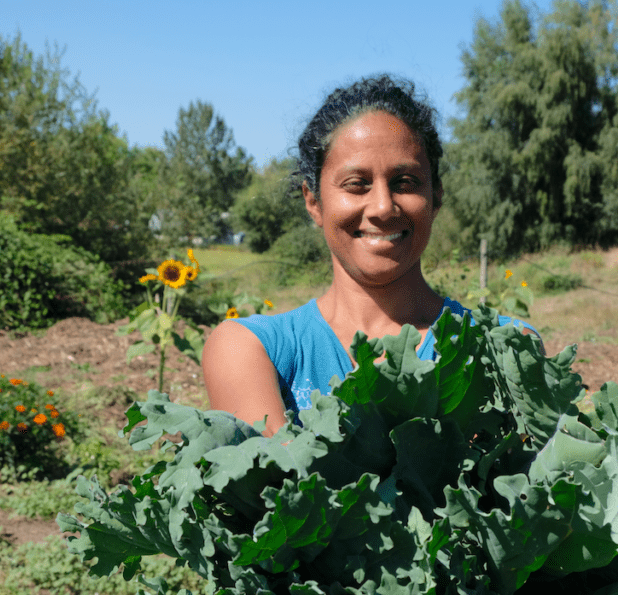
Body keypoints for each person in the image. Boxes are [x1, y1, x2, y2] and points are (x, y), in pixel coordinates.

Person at [202, 75, 539, 434]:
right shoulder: (252, 350)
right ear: (313, 202)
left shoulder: (506, 348)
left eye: (405, 182)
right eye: (356, 184)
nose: (382, 207)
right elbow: (276, 484)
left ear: (436, 197)